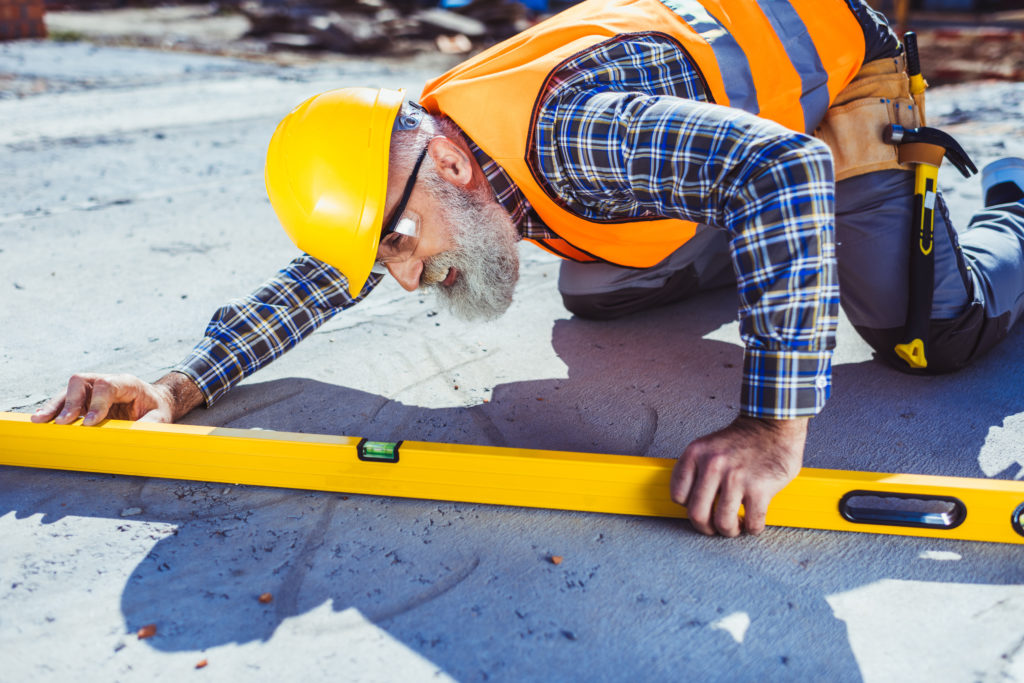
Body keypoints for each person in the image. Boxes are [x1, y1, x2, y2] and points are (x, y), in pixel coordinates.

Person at [32, 0, 1024, 537]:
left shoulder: (567, 139)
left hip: (834, 85)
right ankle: (765, 235)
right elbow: (319, 277)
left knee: (921, 332)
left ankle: (1013, 206)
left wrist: (771, 425)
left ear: (452, 166)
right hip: (703, 127)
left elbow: (785, 164)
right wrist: (177, 379)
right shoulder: (427, 150)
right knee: (600, 287)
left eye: (399, 243)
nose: (406, 278)